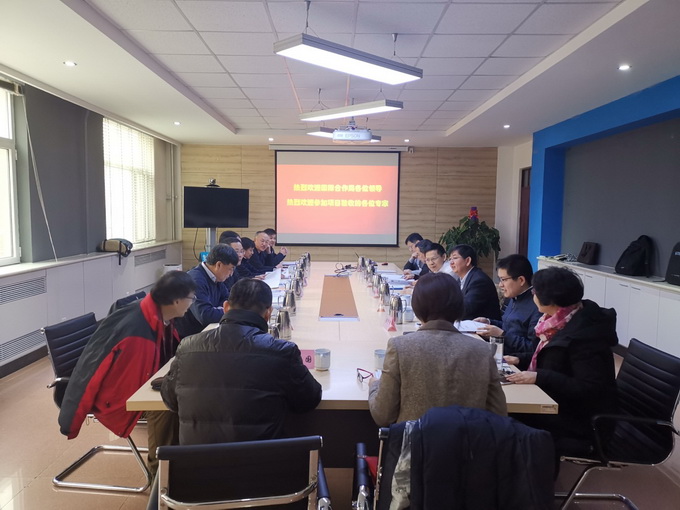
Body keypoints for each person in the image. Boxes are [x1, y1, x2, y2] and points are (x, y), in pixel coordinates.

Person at [58, 271, 197, 475]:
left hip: (137, 383)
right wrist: (70, 420)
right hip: (116, 398)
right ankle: (160, 476)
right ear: (176, 301)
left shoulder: (156, 315)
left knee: (184, 393)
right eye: (192, 298)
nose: (192, 303)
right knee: (164, 405)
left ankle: (179, 458)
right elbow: (89, 371)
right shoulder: (136, 332)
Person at [161, 278, 322, 445]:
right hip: (263, 459)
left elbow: (170, 399)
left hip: (196, 460)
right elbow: (309, 400)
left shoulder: (187, 347)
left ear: (226, 307)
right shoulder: (282, 352)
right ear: (268, 313)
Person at [368, 272, 507, 426]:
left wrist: (375, 385)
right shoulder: (483, 350)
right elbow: (499, 415)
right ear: (459, 306)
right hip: (469, 441)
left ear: (416, 307)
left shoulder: (399, 347)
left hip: (414, 441)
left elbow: (383, 415)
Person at [505, 266, 618, 453]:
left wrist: (539, 377)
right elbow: (552, 357)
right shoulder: (557, 322)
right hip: (558, 402)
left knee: (503, 418)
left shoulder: (584, 337)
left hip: (580, 420)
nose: (533, 295)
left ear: (550, 300)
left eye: (535, 292)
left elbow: (590, 388)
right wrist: (519, 359)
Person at [474, 254, 541, 355]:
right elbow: (508, 325)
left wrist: (502, 335)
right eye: (500, 279)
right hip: (498, 351)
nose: (500, 285)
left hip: (514, 359)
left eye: (504, 280)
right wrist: (488, 322)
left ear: (521, 280)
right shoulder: (512, 297)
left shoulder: (537, 306)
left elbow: (533, 348)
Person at [175, 244, 239, 338]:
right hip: (191, 336)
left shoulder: (216, 277)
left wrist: (222, 309)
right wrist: (232, 310)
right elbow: (205, 315)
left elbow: (228, 300)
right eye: (230, 269)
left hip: (208, 331)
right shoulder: (195, 280)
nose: (231, 274)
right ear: (219, 265)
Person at [448, 244, 501, 320]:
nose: (451, 262)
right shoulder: (460, 279)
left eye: (455, 258)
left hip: (483, 325)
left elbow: (466, 309)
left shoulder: (479, 281)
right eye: (450, 259)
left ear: (468, 261)